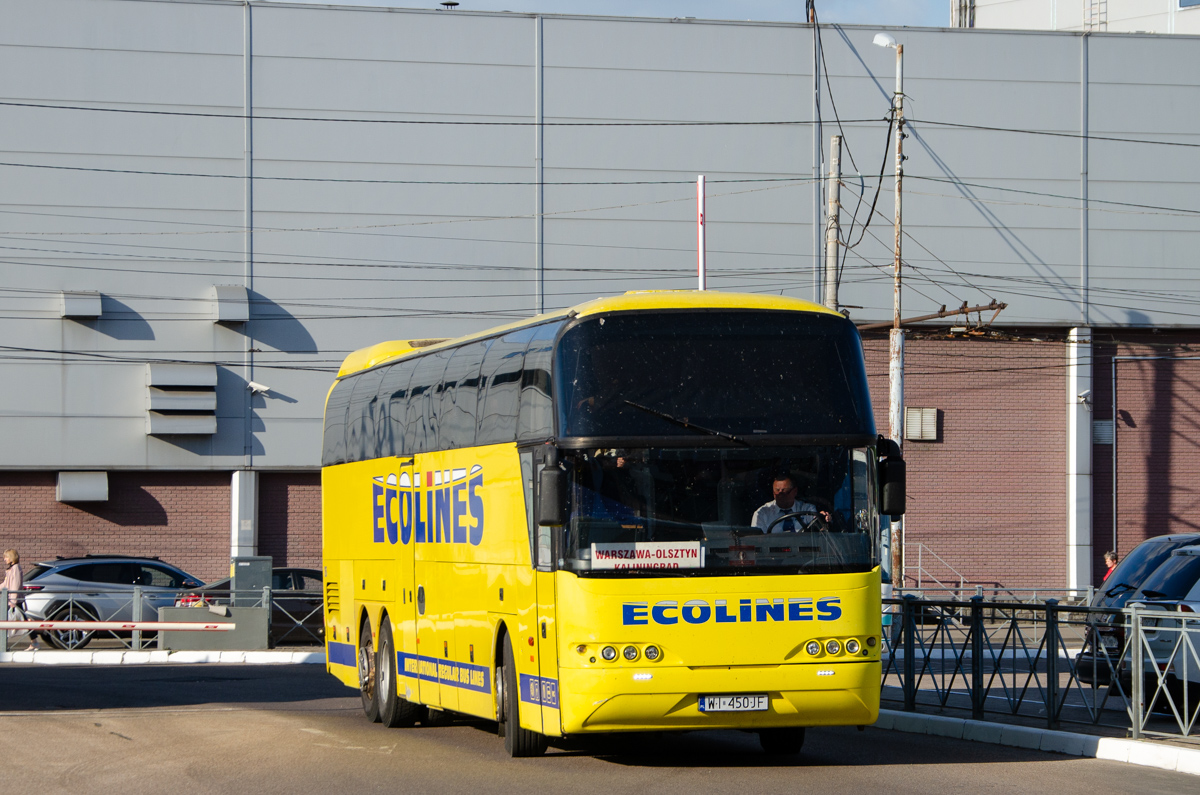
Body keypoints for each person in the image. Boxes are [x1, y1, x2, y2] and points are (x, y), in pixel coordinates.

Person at [751, 474, 830, 533]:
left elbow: (817, 529)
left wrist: (822, 519)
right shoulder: (761, 514)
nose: (780, 495)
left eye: (785, 491)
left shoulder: (807, 509)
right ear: (773, 493)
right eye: (777, 491)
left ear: (795, 491)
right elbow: (757, 542)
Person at [4, 548, 33, 651]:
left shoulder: (16, 569)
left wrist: (13, 601)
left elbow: (15, 586)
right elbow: (6, 584)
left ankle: (4, 645)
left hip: (14, 601)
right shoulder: (11, 569)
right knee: (23, 621)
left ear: (12, 557)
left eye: (6, 557)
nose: (5, 559)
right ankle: (34, 642)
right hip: (12, 600)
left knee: (6, 622)